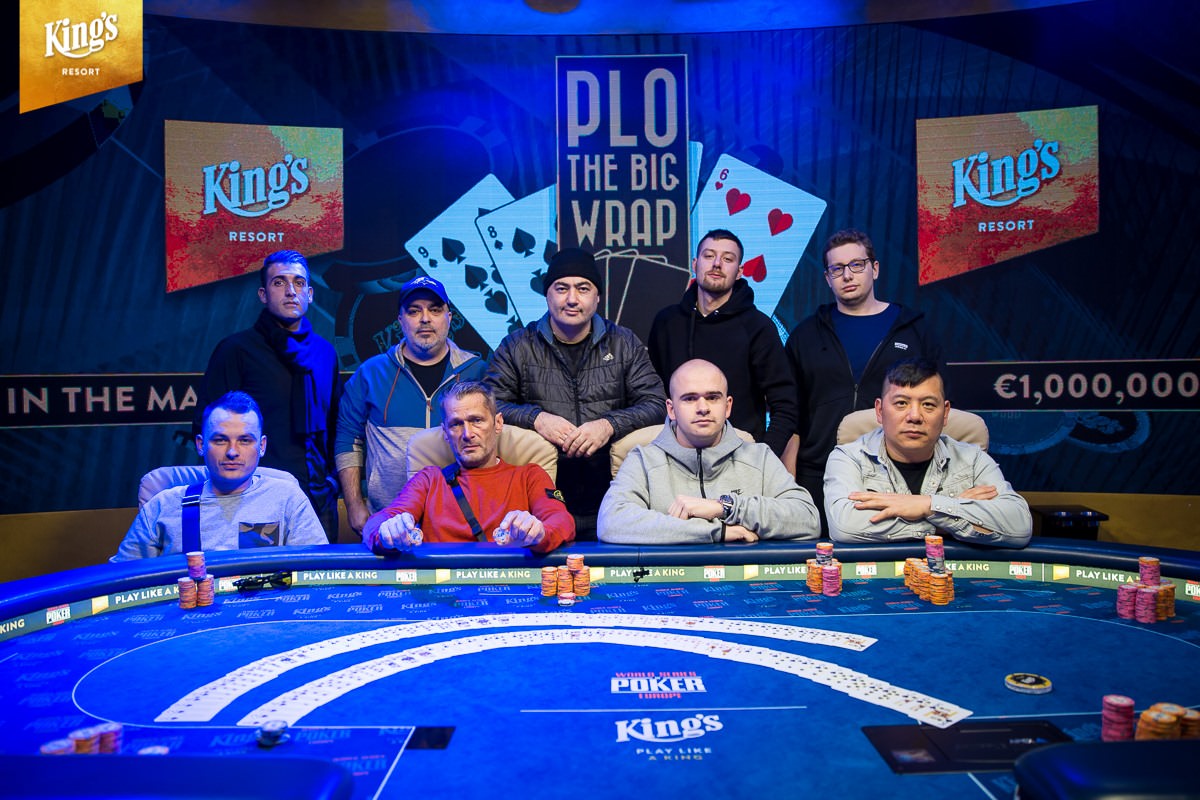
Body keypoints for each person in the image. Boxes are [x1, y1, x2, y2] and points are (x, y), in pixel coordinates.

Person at [485, 247, 666, 539]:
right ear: (547, 295)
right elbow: (488, 406)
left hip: (613, 499)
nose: (572, 299)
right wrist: (537, 419)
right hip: (537, 504)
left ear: (597, 297)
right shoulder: (517, 346)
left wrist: (608, 425)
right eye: (561, 288)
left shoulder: (623, 343)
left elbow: (656, 403)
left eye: (583, 288)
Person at [785, 228, 942, 533]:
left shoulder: (914, 329)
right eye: (837, 268)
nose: (847, 275)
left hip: (897, 472)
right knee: (820, 559)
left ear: (875, 268)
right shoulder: (806, 335)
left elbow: (938, 406)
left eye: (857, 265)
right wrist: (790, 480)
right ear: (827, 278)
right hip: (817, 471)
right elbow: (790, 414)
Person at [200, 250, 341, 542]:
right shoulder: (236, 350)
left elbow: (336, 425)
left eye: (299, 283)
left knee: (322, 570)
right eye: (279, 283)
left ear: (310, 294)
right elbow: (208, 428)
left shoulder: (325, 353)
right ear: (263, 294)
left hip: (319, 497)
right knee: (265, 571)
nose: (291, 291)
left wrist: (332, 481)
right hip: (257, 499)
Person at [597, 359, 818, 544]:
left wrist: (725, 507)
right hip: (671, 582)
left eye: (713, 397)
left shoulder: (760, 457)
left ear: (727, 406)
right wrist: (715, 532)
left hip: (745, 580)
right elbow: (611, 522)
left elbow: (808, 519)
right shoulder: (643, 460)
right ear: (671, 409)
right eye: (690, 399)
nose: (703, 408)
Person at [335, 275, 488, 534]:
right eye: (414, 311)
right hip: (390, 521)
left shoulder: (477, 371)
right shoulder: (370, 374)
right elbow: (348, 438)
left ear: (449, 318)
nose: (425, 318)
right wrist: (353, 504)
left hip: (463, 524)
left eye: (435, 310)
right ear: (400, 321)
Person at [824, 359, 1031, 547]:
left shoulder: (973, 459)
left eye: (928, 405)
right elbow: (845, 527)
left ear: (945, 413)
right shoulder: (849, 458)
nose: (914, 416)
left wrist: (927, 505)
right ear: (880, 411)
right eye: (901, 403)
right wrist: (950, 517)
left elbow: (1019, 526)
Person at [361, 382, 575, 554]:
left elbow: (562, 521)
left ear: (498, 423)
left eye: (477, 420)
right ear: (445, 432)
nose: (467, 434)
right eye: (456, 424)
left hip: (510, 583)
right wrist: (387, 533)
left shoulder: (529, 476)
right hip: (441, 587)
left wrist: (539, 533)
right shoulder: (429, 480)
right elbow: (376, 524)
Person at [113, 392, 328, 560]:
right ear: (200, 445)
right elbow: (121, 580)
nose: (232, 452)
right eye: (220, 440)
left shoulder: (288, 498)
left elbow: (317, 572)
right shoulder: (162, 505)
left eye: (245, 440)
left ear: (262, 446)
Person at [647, 229, 797, 458]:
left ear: (739, 272)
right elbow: (652, 395)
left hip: (739, 457)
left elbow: (786, 404)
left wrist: (762, 457)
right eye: (709, 256)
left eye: (728, 259)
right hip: (673, 456)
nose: (717, 264)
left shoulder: (758, 326)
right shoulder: (667, 322)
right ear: (695, 264)